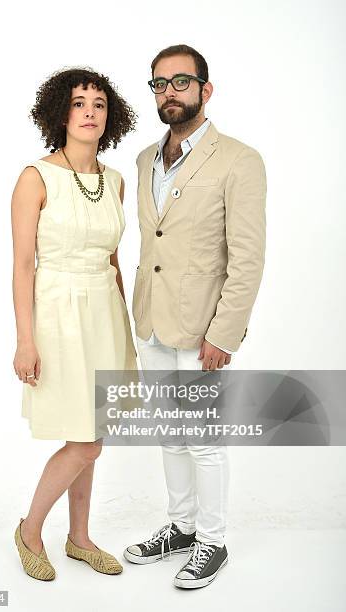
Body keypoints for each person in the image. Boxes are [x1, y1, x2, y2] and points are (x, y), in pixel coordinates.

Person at [123, 44, 267, 589]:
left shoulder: (239, 159)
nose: (169, 93)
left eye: (181, 82)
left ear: (206, 90)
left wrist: (224, 334)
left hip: (204, 328)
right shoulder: (144, 160)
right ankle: (180, 528)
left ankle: (213, 541)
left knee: (203, 438)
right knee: (170, 433)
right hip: (153, 323)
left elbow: (247, 256)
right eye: (159, 84)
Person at [11, 67, 137, 581]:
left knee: (94, 429)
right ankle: (29, 530)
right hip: (57, 312)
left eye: (99, 104)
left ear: (111, 116)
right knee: (83, 438)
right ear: (59, 112)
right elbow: (22, 265)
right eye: (79, 103)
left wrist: (125, 326)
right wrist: (24, 339)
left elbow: (112, 259)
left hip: (106, 312)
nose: (89, 112)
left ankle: (79, 538)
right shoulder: (35, 177)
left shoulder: (116, 181)